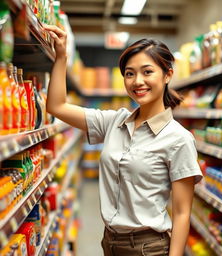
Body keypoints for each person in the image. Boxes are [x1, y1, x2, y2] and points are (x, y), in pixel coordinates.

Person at [44, 24, 203, 256]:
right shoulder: (113, 122)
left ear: (168, 74)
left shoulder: (179, 139)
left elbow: (181, 213)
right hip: (110, 241)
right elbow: (56, 106)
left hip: (150, 247)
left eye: (147, 72)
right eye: (130, 73)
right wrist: (61, 57)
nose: (137, 81)